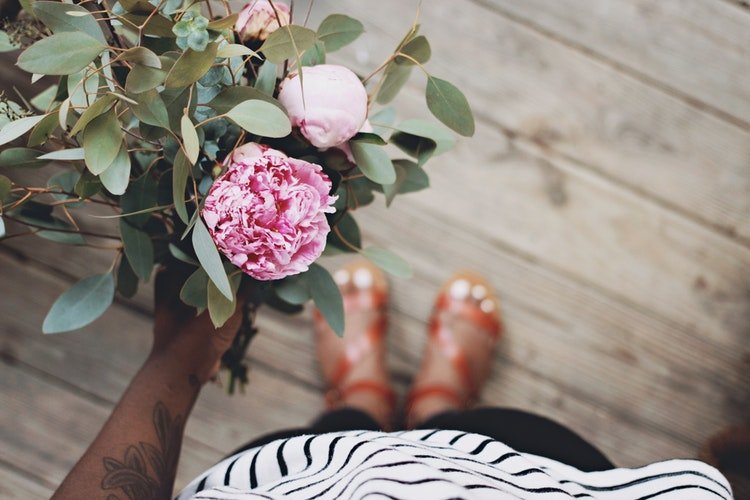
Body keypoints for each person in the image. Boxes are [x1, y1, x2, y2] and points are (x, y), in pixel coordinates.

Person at [53, 261, 733, 499]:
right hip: (533, 481)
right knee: (487, 440)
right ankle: (441, 408)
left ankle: (358, 403)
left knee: (337, 441)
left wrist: (183, 357)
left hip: (297, 484)